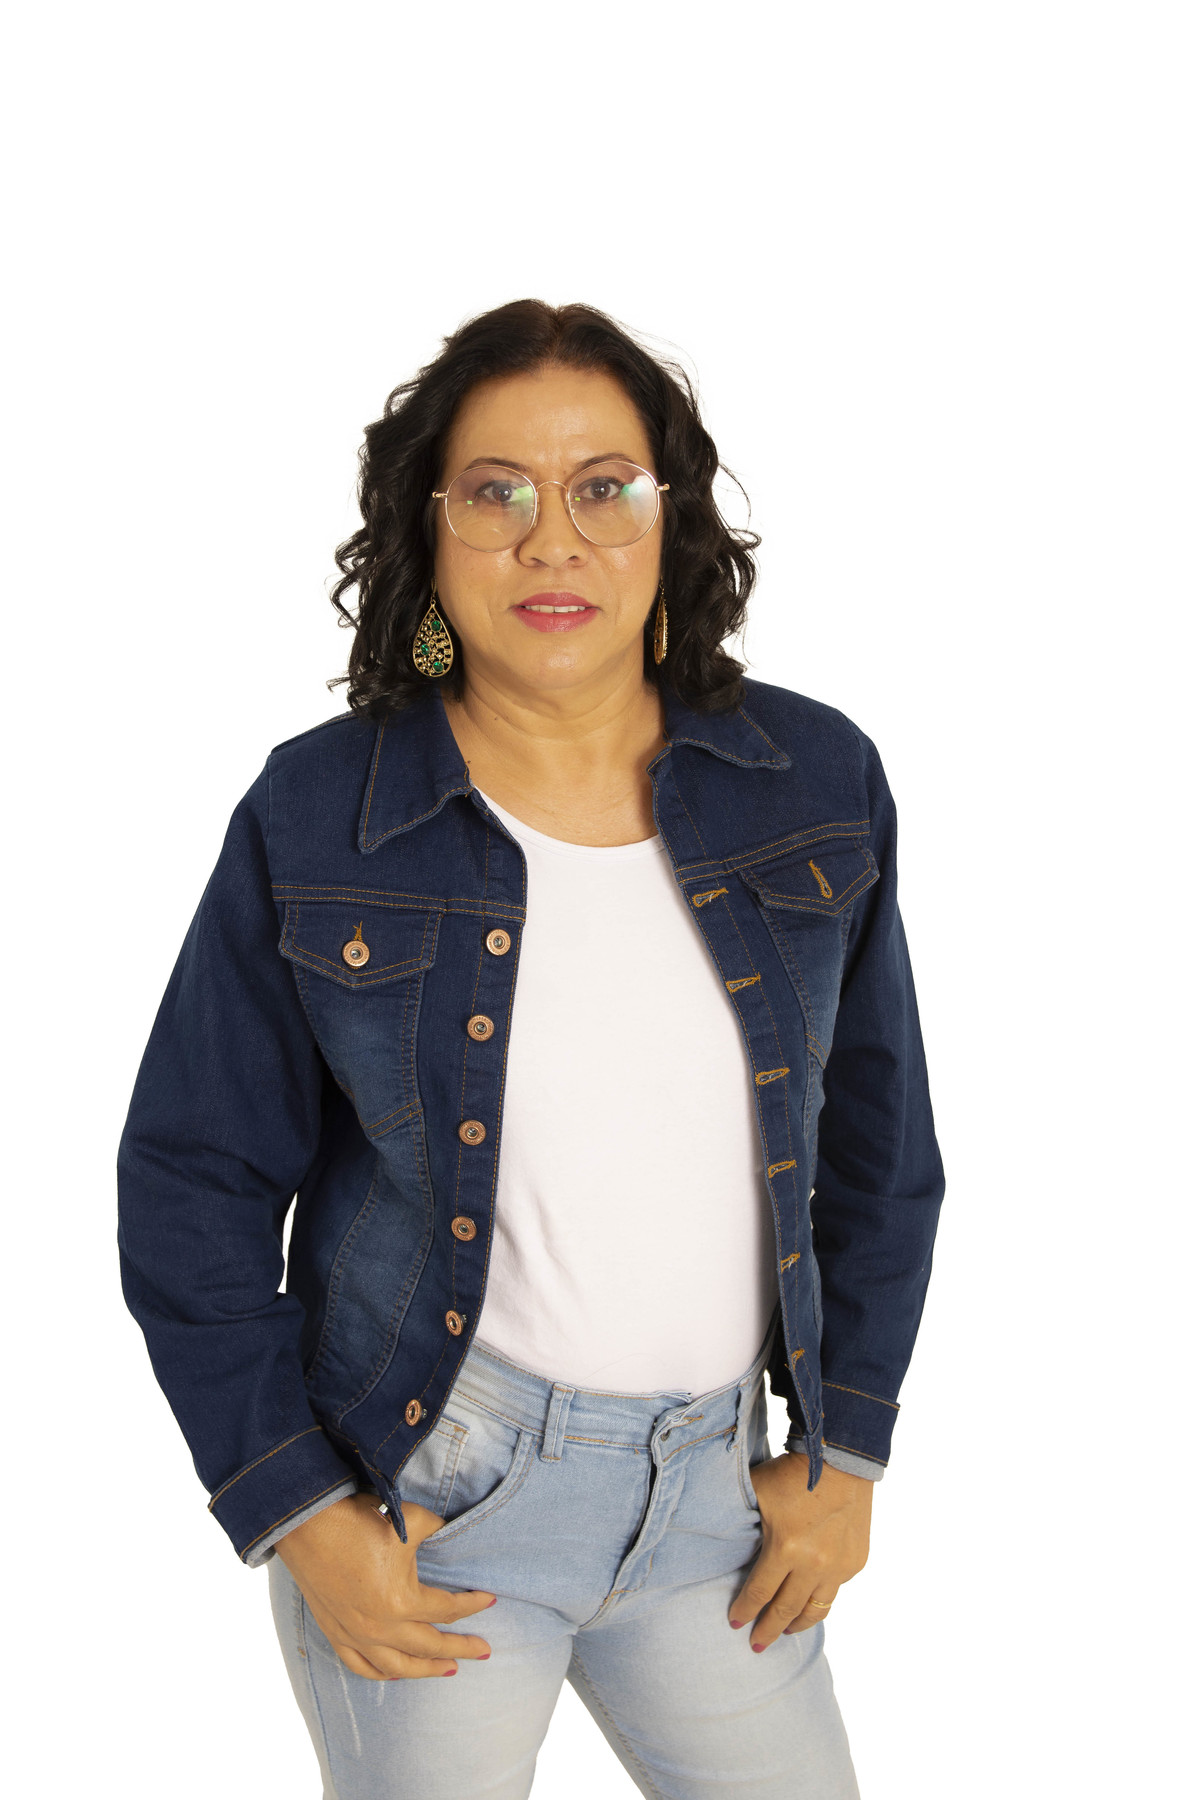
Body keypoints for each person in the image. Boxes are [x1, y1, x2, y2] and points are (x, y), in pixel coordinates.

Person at [117, 298, 944, 1799]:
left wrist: (850, 1455)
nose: (551, 540)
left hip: (718, 1507)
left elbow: (882, 1156)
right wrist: (298, 1511)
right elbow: (192, 1179)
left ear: (668, 520)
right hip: (431, 1509)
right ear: (428, 533)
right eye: (495, 492)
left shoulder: (815, 781)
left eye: (602, 488)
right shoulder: (321, 815)